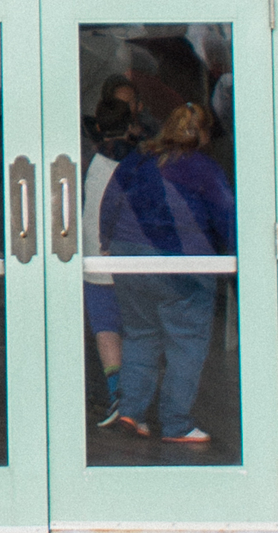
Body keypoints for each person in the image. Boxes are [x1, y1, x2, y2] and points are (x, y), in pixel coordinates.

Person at [97, 102, 236, 448]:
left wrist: (107, 242)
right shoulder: (204, 168)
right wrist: (234, 262)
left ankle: (132, 411)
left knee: (140, 334)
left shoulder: (136, 160)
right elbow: (226, 216)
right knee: (186, 342)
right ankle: (176, 423)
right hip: (182, 263)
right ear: (202, 134)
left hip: (128, 259)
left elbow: (110, 201)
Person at [80, 77, 143, 425]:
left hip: (94, 255)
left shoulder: (89, 159)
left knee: (105, 327)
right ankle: (133, 398)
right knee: (135, 329)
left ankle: (118, 392)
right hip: (130, 255)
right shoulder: (139, 161)